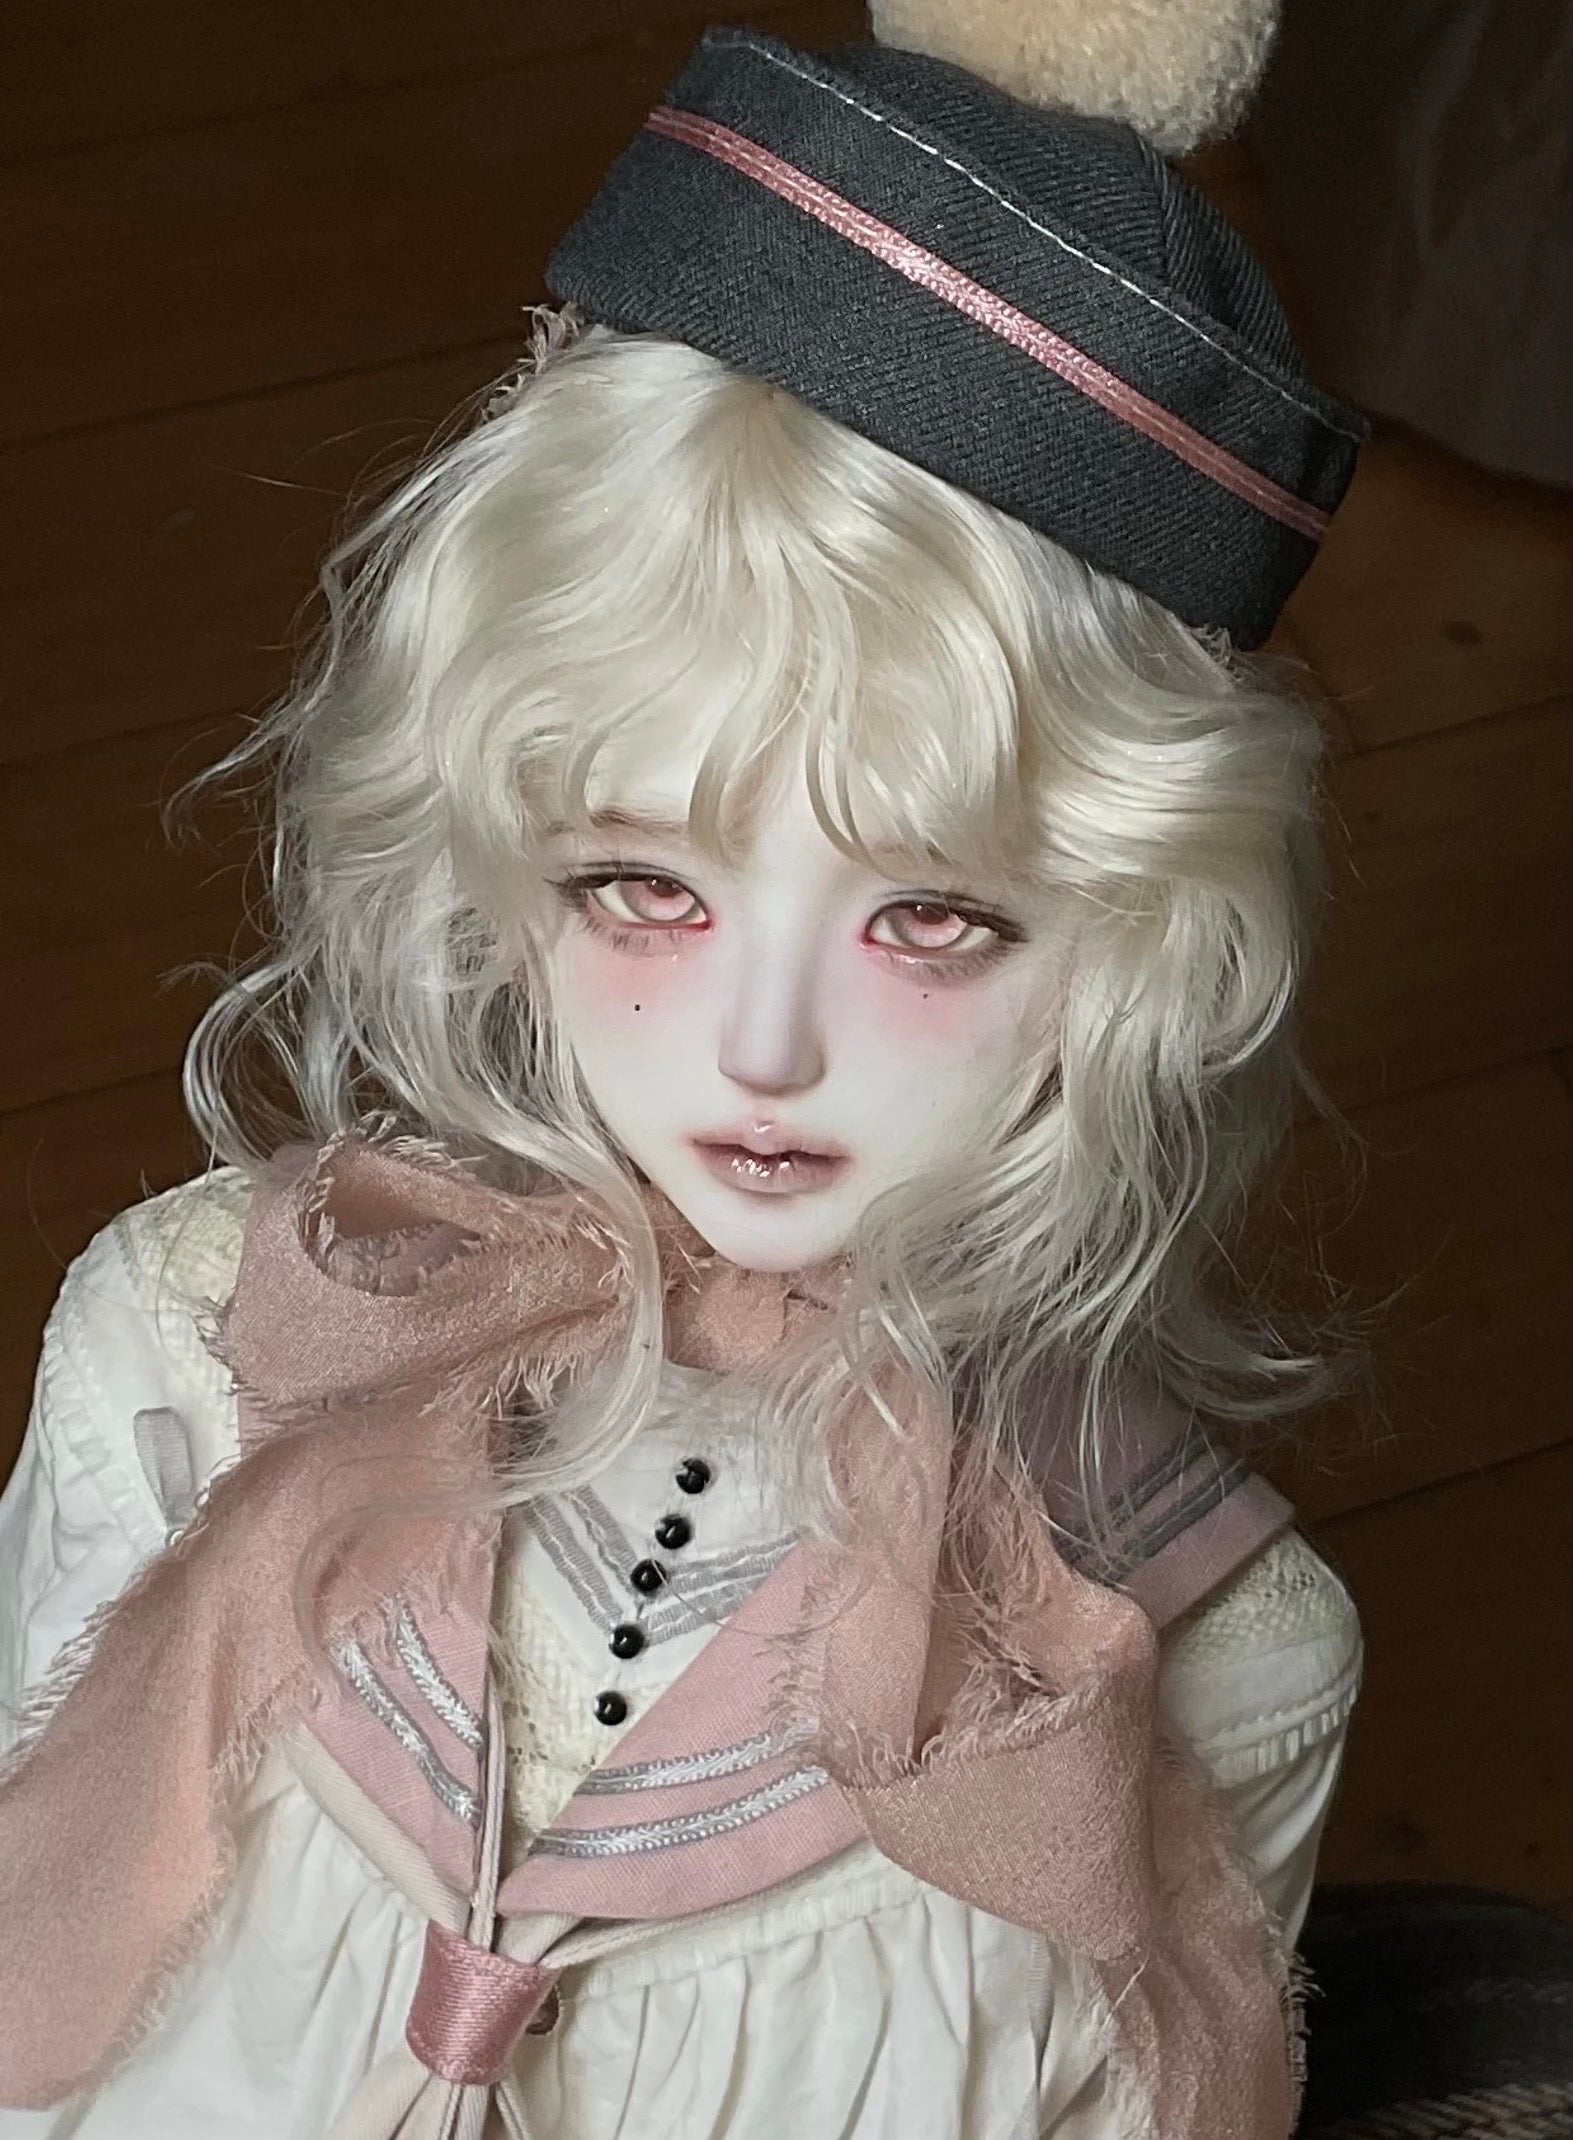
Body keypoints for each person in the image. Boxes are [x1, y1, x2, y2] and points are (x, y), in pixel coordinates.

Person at [0, 6, 1369, 2135]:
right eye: (645, 886)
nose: (761, 1043)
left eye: (932, 918)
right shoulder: (185, 1352)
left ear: (1133, 952)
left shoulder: (1226, 1655)